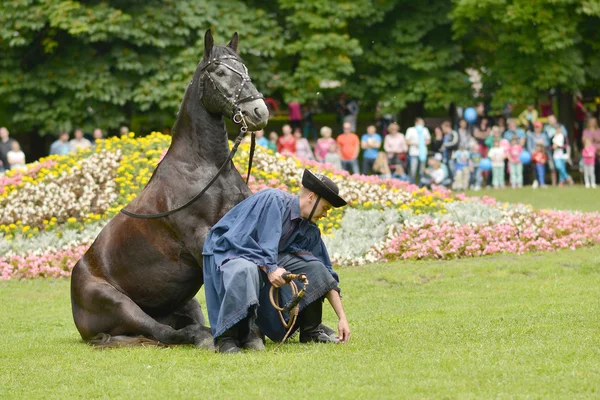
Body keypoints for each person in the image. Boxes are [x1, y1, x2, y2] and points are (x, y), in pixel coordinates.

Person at [202, 169, 350, 353]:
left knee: (313, 266)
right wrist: (271, 268)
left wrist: (342, 318)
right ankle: (227, 338)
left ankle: (311, 330)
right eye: (325, 208)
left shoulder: (309, 230)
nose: (325, 215)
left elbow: (327, 273)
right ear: (312, 197)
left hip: (262, 259)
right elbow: (257, 242)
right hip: (231, 249)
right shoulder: (274, 200)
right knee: (246, 269)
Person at [405, 117, 431, 184]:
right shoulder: (410, 130)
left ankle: (421, 184)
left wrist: (422, 143)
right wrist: (415, 144)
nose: (422, 124)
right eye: (421, 122)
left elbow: (428, 140)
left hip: (423, 153)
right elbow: (406, 141)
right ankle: (411, 184)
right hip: (414, 153)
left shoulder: (425, 130)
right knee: (413, 170)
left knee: (421, 171)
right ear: (416, 123)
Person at [582, 117, 600, 185]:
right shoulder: (586, 131)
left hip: (598, 150)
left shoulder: (598, 130)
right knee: (590, 167)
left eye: (594, 121)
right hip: (589, 151)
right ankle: (590, 182)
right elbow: (584, 140)